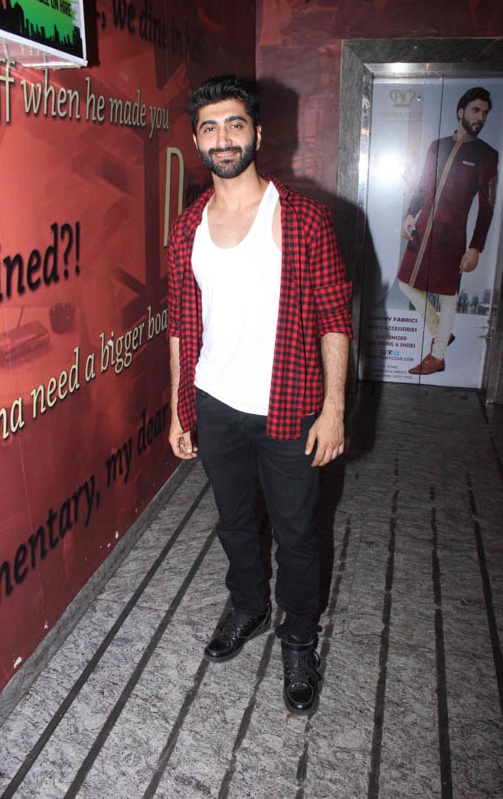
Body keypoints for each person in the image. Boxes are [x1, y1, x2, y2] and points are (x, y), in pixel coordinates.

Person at [167, 75, 352, 715]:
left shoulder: (302, 218)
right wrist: (178, 407)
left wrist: (334, 408)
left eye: (234, 124)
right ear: (197, 141)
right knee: (234, 519)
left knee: (297, 532)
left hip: (290, 402)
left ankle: (298, 637)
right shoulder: (187, 226)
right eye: (209, 127)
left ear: (258, 134)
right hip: (215, 401)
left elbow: (335, 317)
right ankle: (248, 604)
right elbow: (180, 323)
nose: (222, 138)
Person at [397, 86, 499, 375]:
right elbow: (422, 185)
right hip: (422, 229)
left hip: (452, 236)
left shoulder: (487, 155)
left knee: (448, 296)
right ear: (460, 112)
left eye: (485, 113)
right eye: (476, 110)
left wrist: (476, 247)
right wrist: (410, 213)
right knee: (406, 283)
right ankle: (441, 331)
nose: (480, 117)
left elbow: (487, 206)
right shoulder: (437, 146)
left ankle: (438, 355)